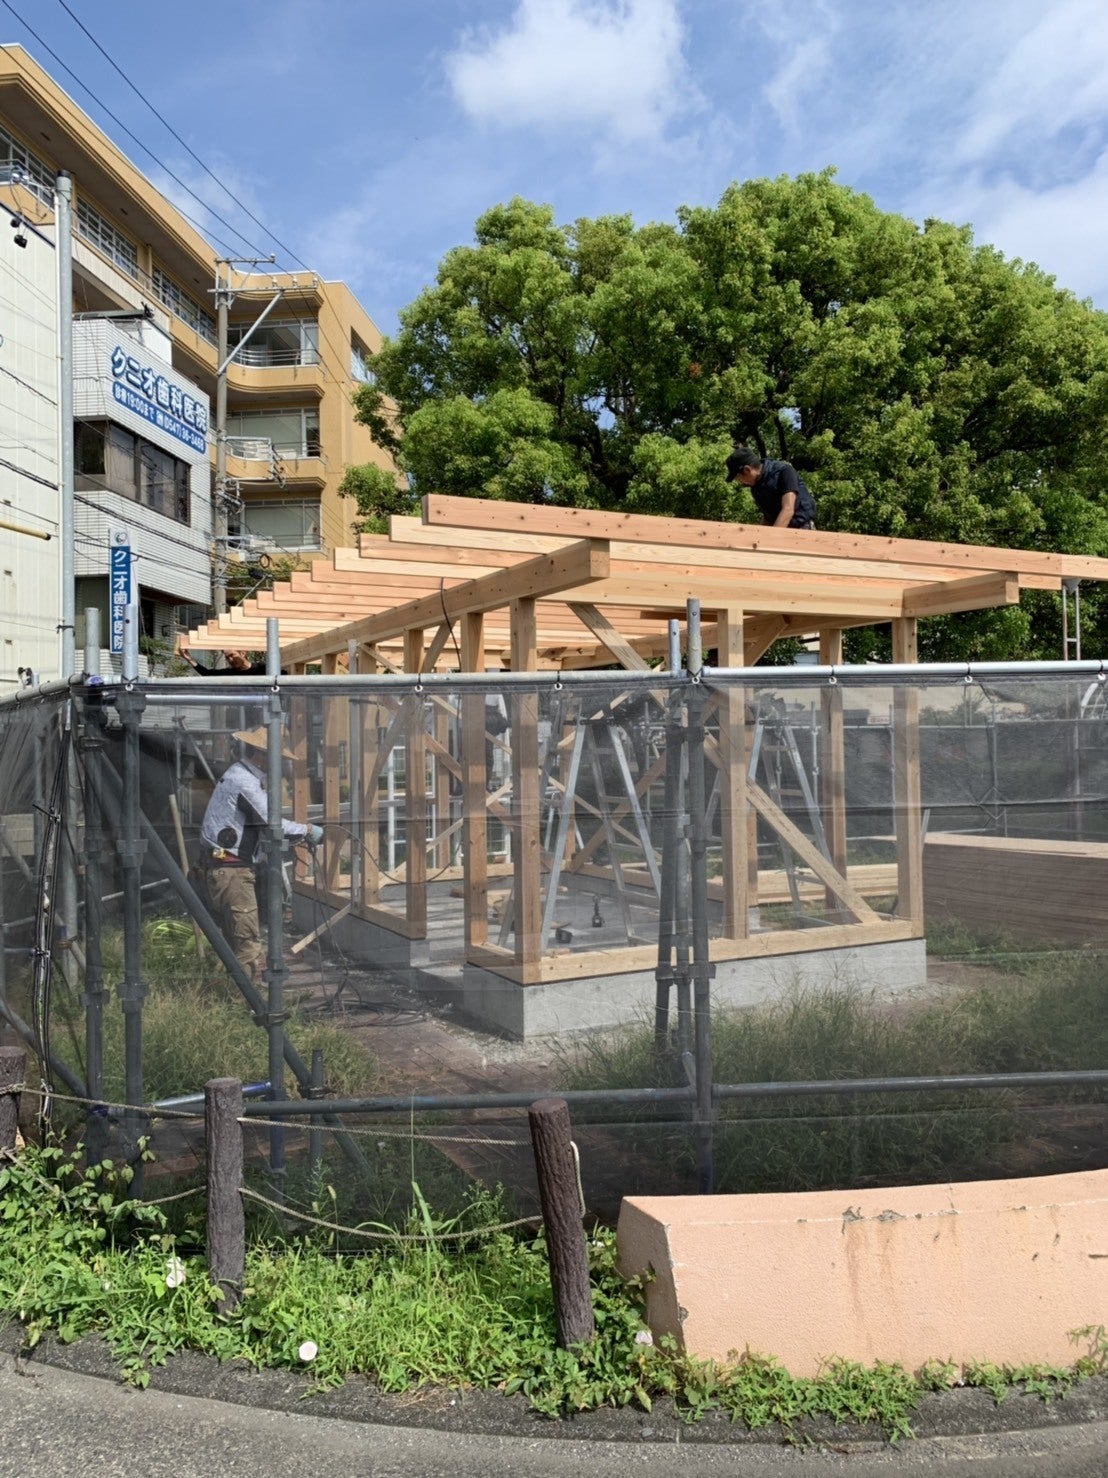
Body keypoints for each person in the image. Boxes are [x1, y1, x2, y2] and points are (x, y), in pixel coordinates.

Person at [199, 727, 323, 983]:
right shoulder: (244, 782)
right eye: (279, 758)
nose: (282, 765)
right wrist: (308, 830)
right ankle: (246, 1001)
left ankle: (231, 995)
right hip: (232, 872)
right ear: (262, 755)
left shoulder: (240, 774)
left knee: (235, 940)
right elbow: (272, 823)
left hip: (224, 868)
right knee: (247, 945)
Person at [725, 446, 817, 529]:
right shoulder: (756, 487)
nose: (740, 482)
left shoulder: (784, 472)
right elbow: (768, 518)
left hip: (802, 529)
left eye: (738, 478)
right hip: (781, 531)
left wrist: (771, 538)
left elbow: (788, 509)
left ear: (747, 470)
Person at [177, 639, 269, 675]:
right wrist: (189, 659)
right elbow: (207, 673)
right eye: (227, 657)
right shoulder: (230, 673)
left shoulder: (262, 668)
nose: (230, 659)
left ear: (243, 653)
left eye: (232, 655)